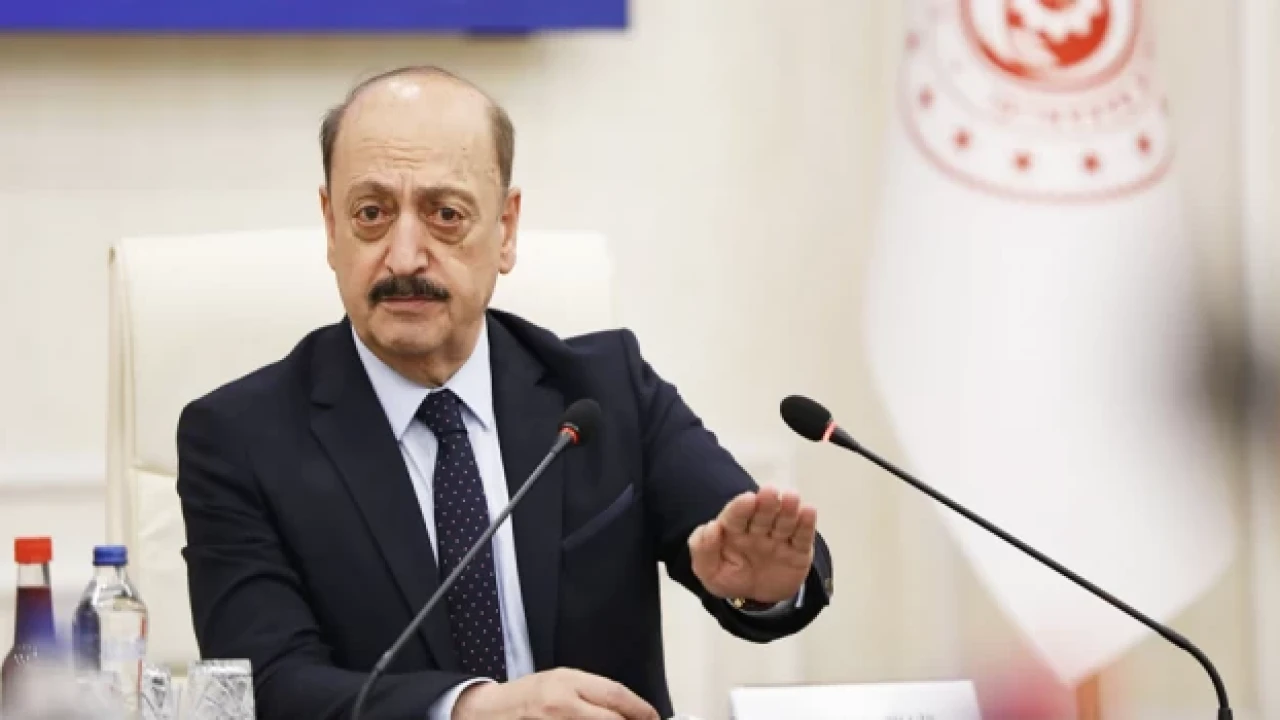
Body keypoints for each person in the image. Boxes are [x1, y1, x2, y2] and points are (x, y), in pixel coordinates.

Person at [176, 65, 834, 720]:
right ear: (330, 226)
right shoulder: (238, 439)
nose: (404, 257)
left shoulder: (607, 392)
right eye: (371, 214)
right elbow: (265, 687)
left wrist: (766, 588)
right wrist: (469, 710)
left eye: (446, 214)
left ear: (507, 229)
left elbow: (752, 547)